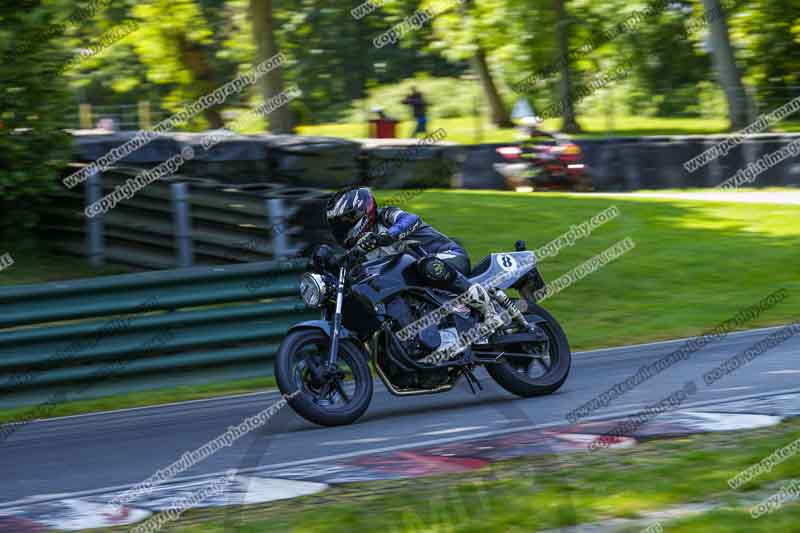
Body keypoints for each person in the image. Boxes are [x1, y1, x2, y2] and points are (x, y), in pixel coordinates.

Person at [324, 187, 498, 320]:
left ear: (363, 211)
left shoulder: (386, 215)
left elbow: (411, 220)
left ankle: (485, 305)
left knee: (425, 265)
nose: (343, 227)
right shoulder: (358, 249)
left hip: (448, 257)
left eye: (347, 219)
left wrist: (387, 236)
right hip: (421, 283)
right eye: (338, 224)